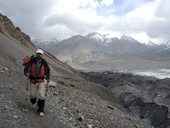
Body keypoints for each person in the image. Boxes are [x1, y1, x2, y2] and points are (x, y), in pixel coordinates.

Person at [24, 49, 50, 116]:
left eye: (40, 54)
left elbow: (48, 70)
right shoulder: (31, 61)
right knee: (33, 95)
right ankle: (33, 102)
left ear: (42, 55)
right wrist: (26, 73)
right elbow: (26, 68)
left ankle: (40, 110)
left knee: (41, 95)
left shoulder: (44, 62)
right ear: (36, 54)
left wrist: (47, 77)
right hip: (33, 80)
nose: (39, 55)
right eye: (38, 53)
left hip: (41, 80)